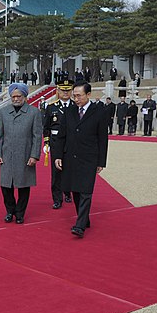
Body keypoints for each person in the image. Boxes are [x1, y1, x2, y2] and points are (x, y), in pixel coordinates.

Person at [52, 83, 109, 238]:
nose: (76, 99)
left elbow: (103, 138)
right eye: (74, 95)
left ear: (88, 94)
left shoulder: (99, 112)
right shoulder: (69, 111)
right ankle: (85, 219)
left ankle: (80, 225)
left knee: (85, 191)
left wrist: (101, 161)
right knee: (75, 189)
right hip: (70, 157)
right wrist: (57, 156)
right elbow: (61, 135)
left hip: (89, 158)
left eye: (79, 95)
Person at [0, 83, 42, 223]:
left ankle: (20, 213)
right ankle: (10, 211)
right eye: (13, 96)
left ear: (25, 97)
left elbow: (37, 136)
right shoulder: (4, 112)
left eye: (18, 96)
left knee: (23, 185)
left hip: (25, 155)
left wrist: (34, 155)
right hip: (7, 154)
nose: (15, 99)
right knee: (6, 186)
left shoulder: (34, 113)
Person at [42, 83, 73, 209]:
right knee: (56, 172)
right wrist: (47, 142)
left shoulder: (75, 106)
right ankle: (57, 198)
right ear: (58, 91)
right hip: (55, 143)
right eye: (63, 91)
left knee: (70, 169)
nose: (65, 93)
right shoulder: (51, 107)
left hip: (71, 142)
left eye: (68, 91)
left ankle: (68, 192)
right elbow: (47, 127)